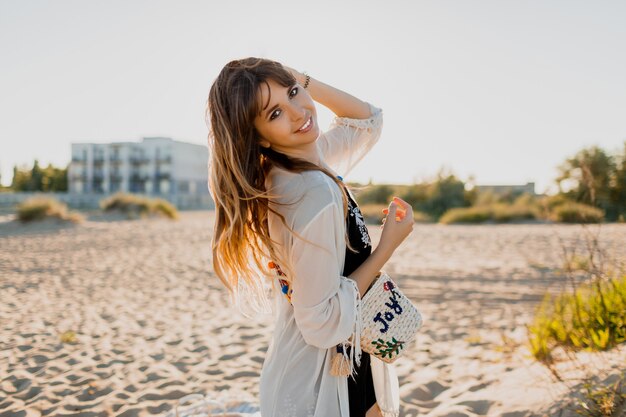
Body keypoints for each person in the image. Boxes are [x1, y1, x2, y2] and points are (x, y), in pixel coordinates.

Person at [206, 57, 414, 417]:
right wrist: (386, 248)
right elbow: (321, 322)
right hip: (326, 381)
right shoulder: (311, 191)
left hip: (332, 366)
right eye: (274, 114)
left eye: (293, 93)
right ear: (256, 135)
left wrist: (299, 79)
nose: (299, 112)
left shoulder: (295, 166)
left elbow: (367, 121)